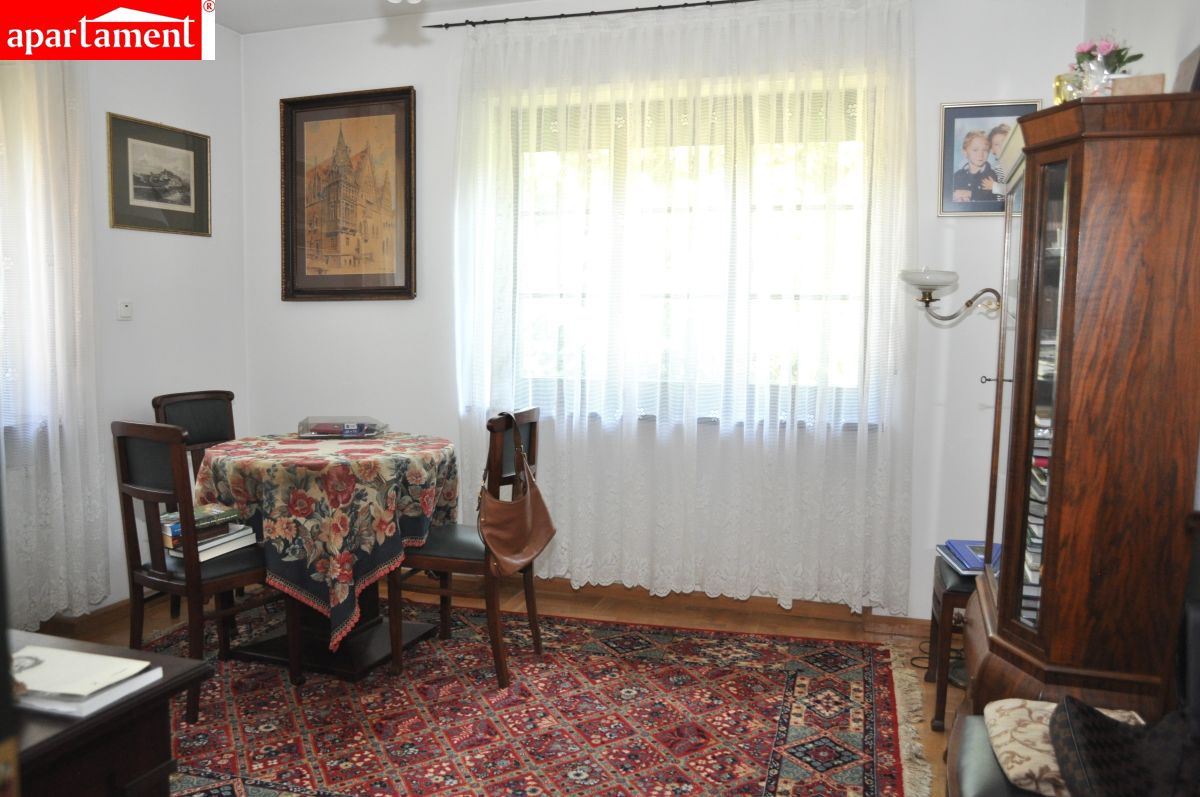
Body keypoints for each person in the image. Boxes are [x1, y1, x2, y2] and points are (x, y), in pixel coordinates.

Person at [951, 129, 999, 202]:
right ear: (965, 153)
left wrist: (970, 194)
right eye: (975, 150)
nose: (980, 155)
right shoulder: (957, 176)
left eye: (985, 150)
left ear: (989, 152)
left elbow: (993, 200)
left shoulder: (992, 176)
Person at [982, 123, 1010, 197]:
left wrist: (994, 186)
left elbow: (1015, 188)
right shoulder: (994, 170)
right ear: (992, 149)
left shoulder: (1013, 166)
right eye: (997, 144)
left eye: (1004, 142)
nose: (1001, 146)